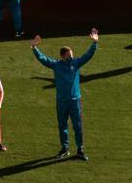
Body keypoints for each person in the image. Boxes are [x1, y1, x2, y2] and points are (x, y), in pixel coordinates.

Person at [31, 29, 98, 161]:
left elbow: (88, 55)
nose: (71, 57)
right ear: (62, 56)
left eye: (72, 54)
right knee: (62, 125)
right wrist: (34, 47)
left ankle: (80, 149)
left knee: (78, 126)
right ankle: (65, 149)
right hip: (62, 101)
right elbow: (43, 59)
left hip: (75, 101)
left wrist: (95, 43)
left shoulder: (76, 63)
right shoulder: (56, 65)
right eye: (69, 55)